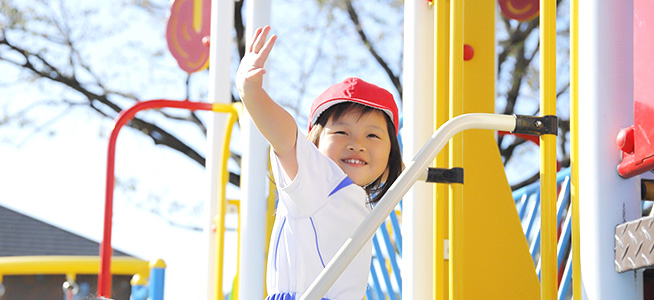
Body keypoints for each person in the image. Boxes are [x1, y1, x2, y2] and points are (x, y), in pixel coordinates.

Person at [236, 26, 402, 300]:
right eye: (341, 132)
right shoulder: (319, 179)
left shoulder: (358, 199)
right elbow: (286, 137)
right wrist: (252, 93)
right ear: (313, 143)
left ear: (389, 157)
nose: (357, 144)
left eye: (372, 135)